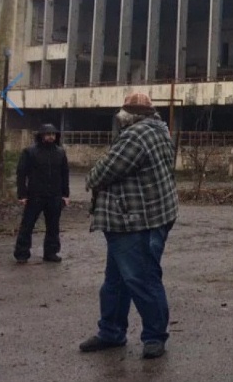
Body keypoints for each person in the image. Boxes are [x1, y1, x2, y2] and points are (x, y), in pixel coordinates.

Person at [79, 92, 179, 360]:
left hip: (135, 220)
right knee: (116, 281)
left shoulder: (136, 135)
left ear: (130, 115)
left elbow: (101, 173)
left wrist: (91, 176)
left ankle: (154, 336)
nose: (119, 116)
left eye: (123, 111)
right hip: (140, 218)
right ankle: (111, 331)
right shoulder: (159, 129)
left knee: (140, 278)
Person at [13, 123, 70, 263]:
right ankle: (21, 253)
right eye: (48, 134)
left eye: (53, 134)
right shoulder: (30, 152)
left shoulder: (60, 153)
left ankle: (51, 253)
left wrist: (65, 195)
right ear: (41, 135)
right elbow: (21, 173)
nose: (51, 137)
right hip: (35, 195)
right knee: (27, 225)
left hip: (54, 195)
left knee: (53, 226)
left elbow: (65, 174)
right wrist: (22, 195)